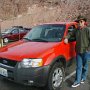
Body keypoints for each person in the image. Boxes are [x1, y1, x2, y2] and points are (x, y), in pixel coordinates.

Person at [64, 16, 90, 87]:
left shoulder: (88, 30)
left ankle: (83, 78)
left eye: (81, 21)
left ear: (84, 22)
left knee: (85, 67)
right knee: (78, 67)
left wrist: (88, 49)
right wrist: (66, 38)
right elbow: (70, 34)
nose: (79, 23)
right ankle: (77, 81)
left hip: (86, 52)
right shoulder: (76, 30)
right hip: (78, 52)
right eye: (78, 22)